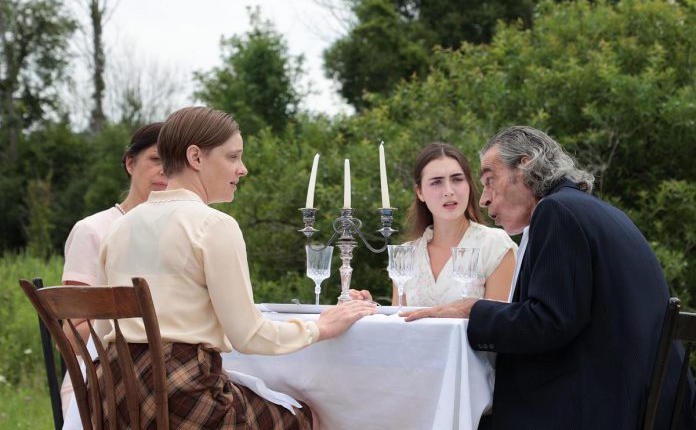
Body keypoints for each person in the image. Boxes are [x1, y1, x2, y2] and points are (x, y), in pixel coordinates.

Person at [93, 106, 375, 429]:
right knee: (302, 416)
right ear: (196, 157)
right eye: (233, 157)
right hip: (181, 400)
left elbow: (104, 335)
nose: (243, 170)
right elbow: (249, 336)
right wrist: (321, 327)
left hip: (111, 401)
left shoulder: (119, 229)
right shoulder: (213, 225)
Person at [404, 126, 696, 429]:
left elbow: (549, 322)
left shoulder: (556, 211)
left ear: (526, 165)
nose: (484, 200)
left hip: (605, 410)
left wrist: (472, 310)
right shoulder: (597, 210)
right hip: (650, 403)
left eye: (490, 181)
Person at [60, 121, 167, 416]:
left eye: (175, 163)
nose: (165, 171)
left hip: (170, 373)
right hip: (102, 377)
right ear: (131, 163)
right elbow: (71, 334)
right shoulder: (93, 230)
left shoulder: (186, 234)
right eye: (157, 159)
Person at [351, 142, 516, 306]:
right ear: (420, 192)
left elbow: (499, 324)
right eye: (436, 182)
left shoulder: (495, 246)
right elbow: (398, 325)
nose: (449, 191)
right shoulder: (406, 254)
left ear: (469, 185)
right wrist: (371, 310)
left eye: (457, 179)